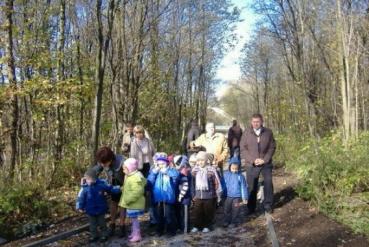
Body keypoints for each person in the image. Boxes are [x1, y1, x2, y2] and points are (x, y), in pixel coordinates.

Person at [240, 113, 276, 214]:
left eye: (258, 122)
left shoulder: (268, 132)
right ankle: (251, 207)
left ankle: (268, 205)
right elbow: (243, 149)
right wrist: (252, 160)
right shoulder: (246, 132)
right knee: (251, 186)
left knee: (268, 183)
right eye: (254, 122)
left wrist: (265, 159)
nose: (256, 124)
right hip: (251, 164)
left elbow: (272, 147)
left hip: (266, 163)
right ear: (251, 122)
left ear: (261, 122)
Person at [76, 169, 120, 243]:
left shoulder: (101, 184)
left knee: (102, 223)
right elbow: (81, 198)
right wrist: (80, 207)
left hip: (100, 209)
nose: (87, 181)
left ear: (94, 179)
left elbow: (109, 188)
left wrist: (117, 189)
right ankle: (94, 236)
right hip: (90, 210)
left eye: (89, 179)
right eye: (86, 179)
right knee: (92, 225)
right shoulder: (84, 188)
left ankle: (104, 235)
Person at [92, 147, 125, 236]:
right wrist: (87, 177)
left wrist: (126, 187)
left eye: (104, 163)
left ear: (110, 159)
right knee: (113, 203)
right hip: (113, 185)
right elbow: (94, 171)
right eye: (101, 163)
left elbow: (130, 174)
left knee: (122, 205)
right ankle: (112, 224)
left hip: (124, 185)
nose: (102, 165)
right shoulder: (103, 161)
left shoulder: (122, 161)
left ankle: (122, 225)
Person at [147, 156, 179, 236]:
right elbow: (149, 181)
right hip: (158, 197)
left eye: (163, 164)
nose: (161, 166)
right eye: (159, 164)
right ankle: (159, 231)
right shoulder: (156, 172)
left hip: (168, 196)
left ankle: (171, 231)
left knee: (169, 215)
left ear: (167, 163)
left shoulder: (171, 170)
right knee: (159, 215)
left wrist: (167, 172)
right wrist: (154, 172)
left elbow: (176, 176)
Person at [191, 152, 222, 233]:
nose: (200, 162)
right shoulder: (194, 170)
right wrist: (193, 194)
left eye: (202, 160)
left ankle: (207, 226)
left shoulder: (211, 170)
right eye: (198, 160)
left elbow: (217, 182)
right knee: (197, 211)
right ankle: (197, 226)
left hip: (209, 195)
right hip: (198, 195)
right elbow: (192, 183)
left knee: (208, 212)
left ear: (206, 160)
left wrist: (217, 194)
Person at [118, 158, 146, 243]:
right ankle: (134, 233)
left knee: (135, 221)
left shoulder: (135, 177)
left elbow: (137, 191)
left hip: (134, 203)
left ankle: (137, 235)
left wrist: (128, 200)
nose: (123, 171)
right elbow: (128, 187)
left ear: (130, 169)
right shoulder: (131, 176)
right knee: (134, 220)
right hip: (132, 203)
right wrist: (122, 188)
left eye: (124, 169)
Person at [223, 156, 248, 228]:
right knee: (226, 209)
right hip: (228, 195)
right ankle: (226, 220)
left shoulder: (240, 176)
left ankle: (233, 221)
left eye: (236, 169)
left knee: (235, 209)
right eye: (233, 169)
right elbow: (223, 185)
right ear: (230, 167)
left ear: (238, 168)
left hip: (236, 196)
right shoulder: (226, 175)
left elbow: (243, 187)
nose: (234, 170)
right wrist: (222, 194)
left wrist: (244, 197)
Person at [174, 155, 192, 233]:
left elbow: (185, 187)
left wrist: (180, 196)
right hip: (179, 197)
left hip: (185, 198)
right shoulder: (180, 172)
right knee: (179, 212)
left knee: (185, 214)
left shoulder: (185, 173)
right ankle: (180, 226)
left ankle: (185, 228)